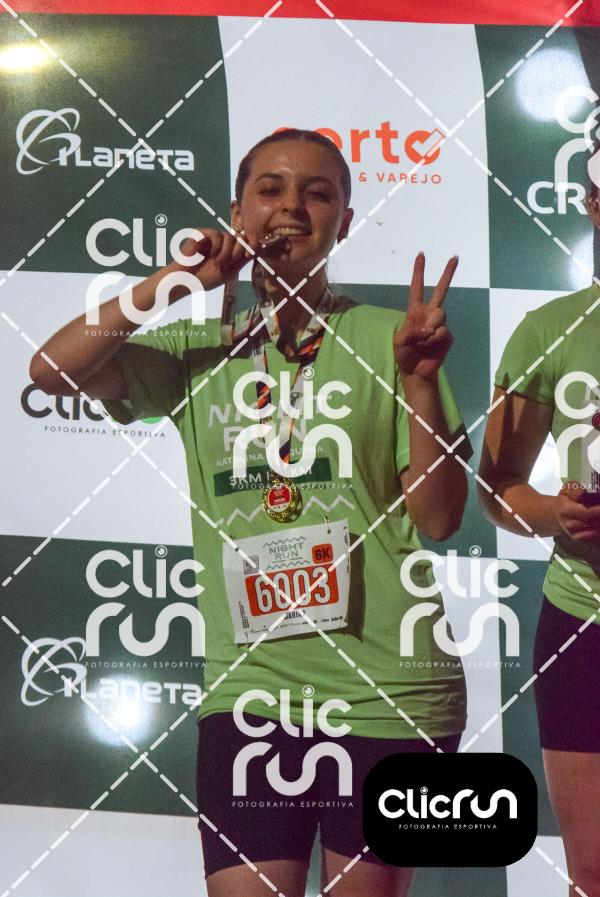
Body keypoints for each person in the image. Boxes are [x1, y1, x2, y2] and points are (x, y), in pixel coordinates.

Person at [30, 128, 471, 897]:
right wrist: (178, 279)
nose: (292, 206)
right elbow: (51, 370)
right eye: (270, 188)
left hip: (390, 691)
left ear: (344, 220)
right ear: (237, 211)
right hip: (251, 692)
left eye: (318, 193)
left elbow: (438, 519)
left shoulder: (390, 337)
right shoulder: (196, 347)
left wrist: (422, 380)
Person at [478, 170, 600, 897]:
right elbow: (497, 489)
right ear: (593, 203)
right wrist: (557, 514)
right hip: (583, 623)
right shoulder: (551, 328)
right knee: (594, 871)